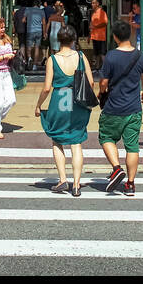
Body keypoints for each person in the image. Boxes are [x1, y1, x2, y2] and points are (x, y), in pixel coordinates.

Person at [34, 24, 94, 195]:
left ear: (58, 39)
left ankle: (62, 180)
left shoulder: (53, 60)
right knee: (76, 142)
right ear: (74, 39)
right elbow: (90, 82)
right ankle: (76, 184)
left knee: (57, 140)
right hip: (78, 102)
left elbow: (46, 88)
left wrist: (38, 105)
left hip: (59, 101)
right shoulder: (81, 57)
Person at [98, 19, 143, 197]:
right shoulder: (140, 55)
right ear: (130, 35)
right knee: (132, 147)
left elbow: (104, 82)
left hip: (113, 107)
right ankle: (130, 184)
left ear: (114, 37)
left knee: (106, 137)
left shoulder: (111, 56)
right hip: (133, 109)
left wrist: (101, 91)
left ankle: (116, 168)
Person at [24, 0, 46, 70]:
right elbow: (44, 23)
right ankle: (34, 66)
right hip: (39, 31)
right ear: (39, 5)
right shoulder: (41, 11)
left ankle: (29, 58)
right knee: (37, 47)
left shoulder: (28, 9)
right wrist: (45, 33)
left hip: (30, 30)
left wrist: (28, 20)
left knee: (29, 46)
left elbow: (23, 20)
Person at [89, 0, 109, 67]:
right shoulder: (93, 13)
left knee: (102, 53)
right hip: (94, 36)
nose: (92, 4)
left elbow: (105, 23)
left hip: (101, 37)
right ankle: (97, 67)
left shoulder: (102, 12)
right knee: (96, 53)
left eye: (94, 3)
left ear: (97, 4)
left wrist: (95, 27)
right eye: (92, 3)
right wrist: (89, 36)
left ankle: (106, 67)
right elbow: (91, 26)